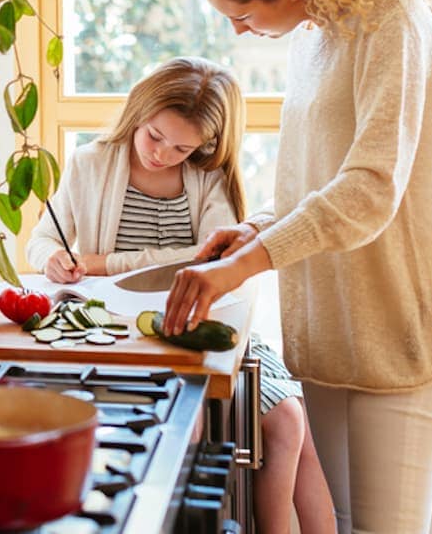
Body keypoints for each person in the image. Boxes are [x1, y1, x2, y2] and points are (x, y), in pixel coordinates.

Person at [166, 0, 432, 533]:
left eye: (243, 14)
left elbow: (370, 189)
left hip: (404, 329)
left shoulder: (394, 26)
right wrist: (254, 228)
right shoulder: (316, 37)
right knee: (341, 523)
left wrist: (247, 264)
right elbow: (310, 181)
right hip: (333, 329)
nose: (238, 30)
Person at [26, 56, 335, 534]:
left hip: (208, 324)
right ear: (138, 113)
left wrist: (104, 263)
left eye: (181, 148)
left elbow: (207, 258)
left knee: (290, 424)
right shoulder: (89, 163)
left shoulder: (208, 176)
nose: (162, 154)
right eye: (154, 137)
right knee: (182, 429)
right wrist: (53, 258)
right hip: (126, 336)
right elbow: (43, 240)